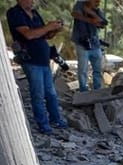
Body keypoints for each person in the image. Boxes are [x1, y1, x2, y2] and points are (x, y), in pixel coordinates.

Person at [6, 0, 68, 134]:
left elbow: (44, 35)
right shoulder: (15, 13)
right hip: (31, 59)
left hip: (44, 58)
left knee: (51, 93)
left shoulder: (34, 13)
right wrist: (48, 26)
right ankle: (42, 123)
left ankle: (55, 119)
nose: (33, 1)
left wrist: (54, 30)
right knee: (38, 93)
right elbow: (29, 34)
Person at [71, 0, 107, 92]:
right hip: (81, 42)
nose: (97, 3)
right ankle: (83, 90)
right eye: (95, 1)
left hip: (94, 43)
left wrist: (92, 13)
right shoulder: (80, 4)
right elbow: (75, 14)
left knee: (97, 68)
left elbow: (103, 23)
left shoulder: (97, 10)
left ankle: (97, 89)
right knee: (83, 69)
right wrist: (90, 20)